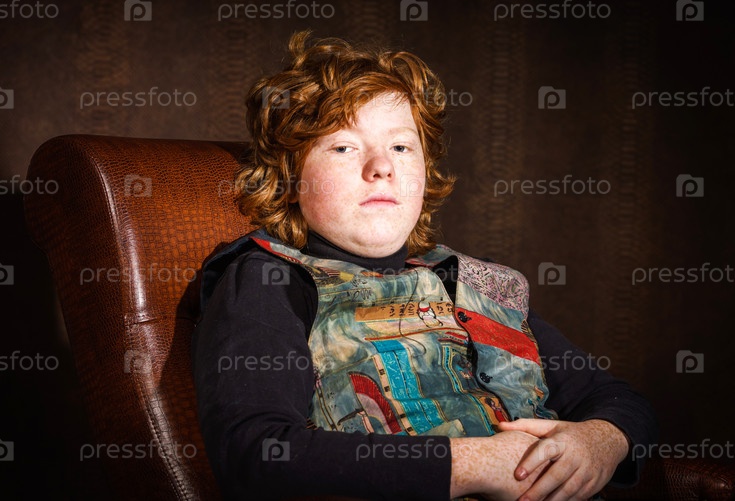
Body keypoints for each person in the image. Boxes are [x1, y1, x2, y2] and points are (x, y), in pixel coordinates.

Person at [192, 31, 657, 501]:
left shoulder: (477, 283)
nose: (381, 167)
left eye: (400, 147)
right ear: (290, 180)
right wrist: (476, 464)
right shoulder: (269, 280)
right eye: (343, 147)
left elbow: (619, 401)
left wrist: (599, 440)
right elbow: (257, 452)